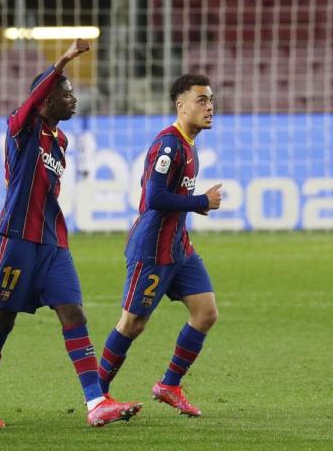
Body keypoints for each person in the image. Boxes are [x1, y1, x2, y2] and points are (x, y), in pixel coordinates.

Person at [0, 39, 142, 429]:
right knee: (2, 320)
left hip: (53, 243)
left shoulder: (59, 140)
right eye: (66, 93)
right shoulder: (20, 127)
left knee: (73, 312)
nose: (74, 99)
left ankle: (95, 402)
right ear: (45, 99)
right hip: (18, 238)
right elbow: (31, 107)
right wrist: (64, 60)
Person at [97, 74, 222, 418]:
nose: (209, 106)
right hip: (153, 249)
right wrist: (201, 201)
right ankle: (97, 396)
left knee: (206, 312)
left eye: (211, 99)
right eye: (201, 100)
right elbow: (154, 197)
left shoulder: (190, 143)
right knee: (132, 323)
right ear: (181, 106)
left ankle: (169, 384)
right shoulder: (168, 144)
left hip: (179, 246)